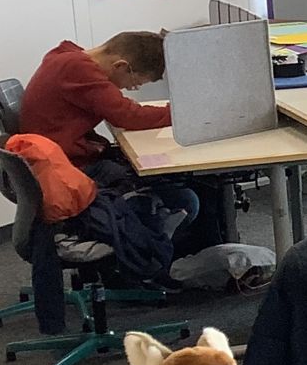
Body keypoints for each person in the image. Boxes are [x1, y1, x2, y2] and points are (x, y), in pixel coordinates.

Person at [19, 29, 202, 239]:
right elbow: (128, 116)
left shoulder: (65, 57)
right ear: (121, 66)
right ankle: (158, 255)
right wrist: (184, 112)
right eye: (135, 84)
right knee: (185, 200)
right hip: (72, 170)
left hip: (62, 163)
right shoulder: (78, 70)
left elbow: (122, 110)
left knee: (168, 178)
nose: (128, 89)